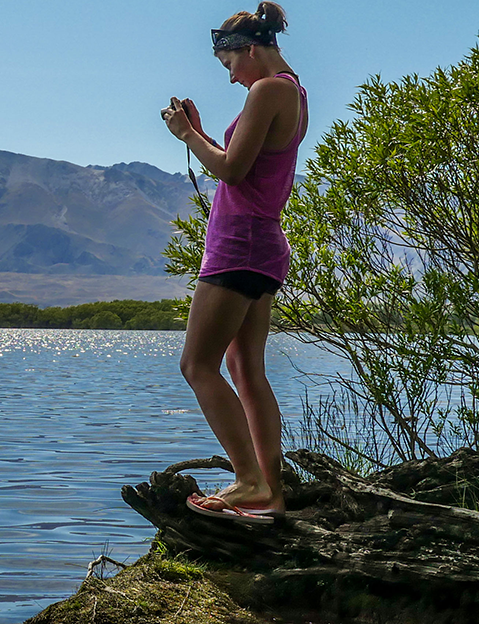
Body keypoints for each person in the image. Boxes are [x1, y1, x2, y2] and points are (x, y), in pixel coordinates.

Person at [160, 1, 306, 523]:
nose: (229, 76)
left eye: (228, 64)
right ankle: (270, 492)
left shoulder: (269, 90)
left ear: (248, 49)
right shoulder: (293, 90)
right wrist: (201, 132)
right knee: (245, 368)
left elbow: (232, 169)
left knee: (197, 365)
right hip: (262, 243)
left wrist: (187, 135)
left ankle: (247, 479)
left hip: (239, 244)